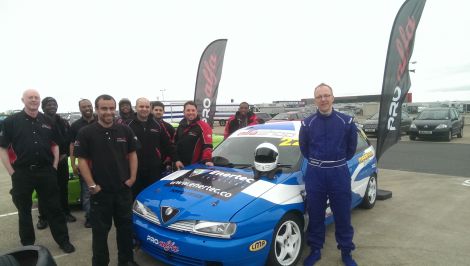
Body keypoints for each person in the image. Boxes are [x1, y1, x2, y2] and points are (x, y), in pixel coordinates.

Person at [0, 89, 75, 253]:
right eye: (30, 98)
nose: (34, 100)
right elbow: (2, 148)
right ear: (23, 100)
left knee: (54, 208)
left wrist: (54, 166)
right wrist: (12, 172)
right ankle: (28, 245)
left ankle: (63, 240)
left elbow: (55, 145)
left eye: (36, 98)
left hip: (46, 172)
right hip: (22, 173)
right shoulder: (11, 121)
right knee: (24, 211)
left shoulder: (47, 121)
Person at [74, 94, 138, 266]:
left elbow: (132, 154)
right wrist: (92, 185)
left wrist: (132, 178)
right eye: (104, 108)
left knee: (125, 229)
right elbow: (81, 160)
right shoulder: (86, 132)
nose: (108, 112)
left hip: (123, 189)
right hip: (100, 193)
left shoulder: (125, 130)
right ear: (97, 110)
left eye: (111, 108)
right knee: (100, 232)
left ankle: (126, 261)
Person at [299, 83, 358, 266]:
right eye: (319, 96)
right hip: (315, 174)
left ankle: (346, 252)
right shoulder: (307, 123)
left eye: (326, 95)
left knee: (342, 214)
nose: (323, 99)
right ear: (315, 100)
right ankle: (315, 250)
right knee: (315, 214)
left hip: (338, 173)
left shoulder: (346, 122)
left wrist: (334, 162)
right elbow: (305, 149)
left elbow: (351, 149)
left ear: (333, 97)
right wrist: (319, 163)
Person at [36, 97, 76, 231]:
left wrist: (64, 155)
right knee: (44, 191)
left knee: (63, 188)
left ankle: (66, 212)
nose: (52, 106)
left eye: (54, 104)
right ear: (43, 107)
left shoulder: (63, 122)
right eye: (48, 104)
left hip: (62, 160)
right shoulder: (38, 121)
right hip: (45, 163)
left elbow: (69, 140)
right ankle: (43, 217)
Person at [128, 98, 180, 199]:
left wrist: (176, 159)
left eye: (147, 107)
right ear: (136, 108)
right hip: (134, 169)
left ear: (150, 108)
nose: (144, 109)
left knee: (152, 196)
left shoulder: (158, 125)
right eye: (141, 106)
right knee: (135, 196)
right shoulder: (128, 125)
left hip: (154, 168)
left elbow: (168, 144)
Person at [69, 98, 96, 228]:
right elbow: (72, 145)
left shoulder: (100, 121)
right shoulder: (75, 126)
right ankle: (90, 217)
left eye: (89, 106)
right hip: (84, 165)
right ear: (80, 109)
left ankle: (103, 214)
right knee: (87, 193)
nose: (87, 108)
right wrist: (74, 164)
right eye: (84, 106)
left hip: (102, 164)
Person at [174, 101, 213, 167]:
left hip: (196, 165)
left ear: (196, 112)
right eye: (188, 110)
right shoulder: (180, 126)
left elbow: (207, 145)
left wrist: (207, 160)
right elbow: (175, 144)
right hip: (180, 164)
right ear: (184, 112)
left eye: (193, 110)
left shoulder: (203, 126)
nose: (191, 112)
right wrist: (176, 159)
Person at [151, 101, 176, 173]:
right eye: (156, 110)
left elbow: (173, 144)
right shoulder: (147, 126)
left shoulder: (169, 127)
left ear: (163, 111)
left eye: (160, 110)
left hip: (165, 162)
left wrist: (169, 159)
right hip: (150, 162)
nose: (158, 112)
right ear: (152, 111)